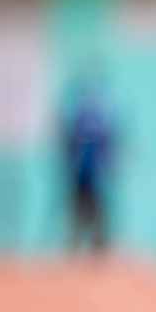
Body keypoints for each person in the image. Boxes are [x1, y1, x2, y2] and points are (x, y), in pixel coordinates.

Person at [62, 71, 116, 255]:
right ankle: (88, 245)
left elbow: (70, 146)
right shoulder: (93, 121)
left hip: (85, 175)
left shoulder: (81, 120)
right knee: (85, 212)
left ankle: (91, 245)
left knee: (87, 212)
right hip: (85, 176)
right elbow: (105, 147)